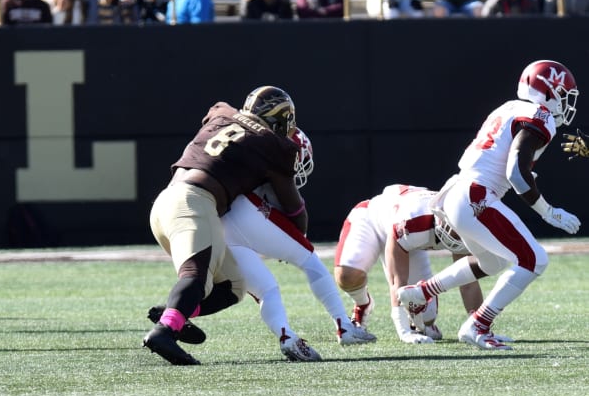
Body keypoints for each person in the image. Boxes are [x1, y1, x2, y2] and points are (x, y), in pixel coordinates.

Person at [398, 60, 581, 350]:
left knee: (492, 261)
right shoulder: (540, 116)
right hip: (476, 196)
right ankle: (478, 324)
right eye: (563, 92)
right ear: (547, 91)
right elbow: (515, 173)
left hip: (459, 190)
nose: (566, 101)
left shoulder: (509, 107)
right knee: (535, 260)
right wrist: (548, 211)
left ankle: (421, 292)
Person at [144, 85, 307, 365]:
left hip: (166, 203)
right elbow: (296, 214)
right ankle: (164, 332)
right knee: (196, 276)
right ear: (280, 120)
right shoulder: (275, 145)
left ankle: (175, 313)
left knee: (233, 286)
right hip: (195, 202)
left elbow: (218, 132)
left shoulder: (221, 112)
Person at [221, 128, 376, 361]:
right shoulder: (277, 159)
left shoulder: (246, 147)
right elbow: (297, 214)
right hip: (248, 211)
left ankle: (287, 337)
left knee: (266, 290)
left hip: (220, 223)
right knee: (309, 259)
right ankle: (345, 326)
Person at [334, 184, 502, 344]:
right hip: (373, 219)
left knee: (426, 314)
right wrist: (404, 331)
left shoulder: (461, 222)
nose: (455, 234)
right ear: (441, 216)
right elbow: (396, 282)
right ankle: (363, 303)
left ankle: (423, 325)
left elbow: (468, 284)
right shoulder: (411, 222)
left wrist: (480, 327)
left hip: (410, 238)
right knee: (347, 275)